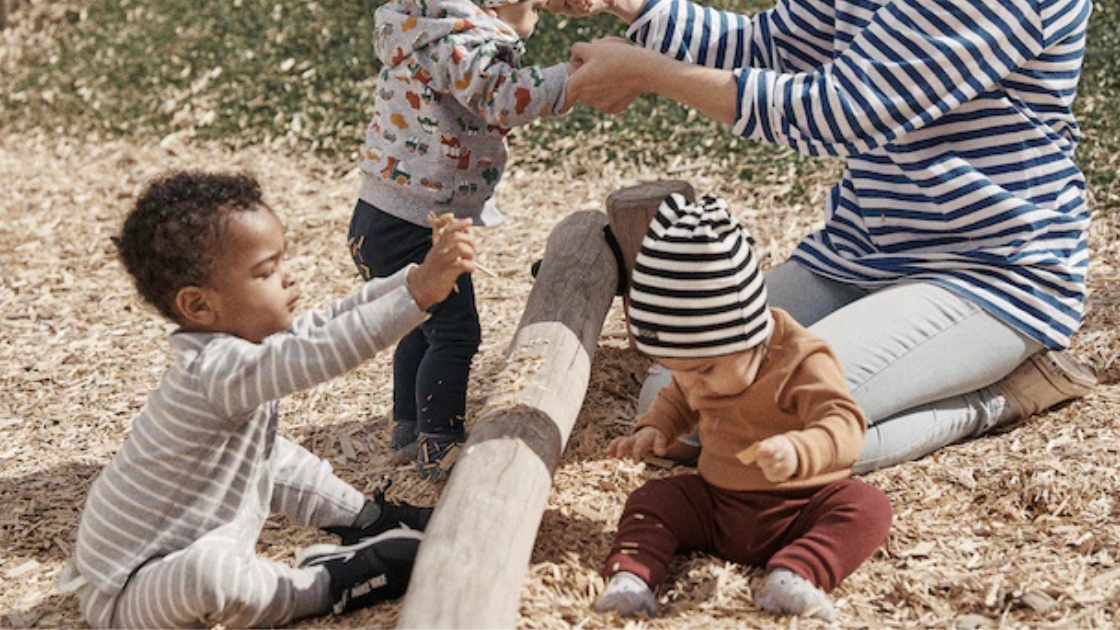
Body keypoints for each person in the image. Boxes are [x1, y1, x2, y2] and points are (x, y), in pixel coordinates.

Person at [554, 0, 1097, 472]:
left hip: (989, 271)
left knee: (757, 439)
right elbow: (770, 46)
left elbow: (843, 109)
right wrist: (634, 6)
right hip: (857, 254)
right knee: (678, 404)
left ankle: (998, 397)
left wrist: (651, 74)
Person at [58, 171, 477, 629]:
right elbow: (319, 351)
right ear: (199, 306)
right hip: (126, 591)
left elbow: (327, 322)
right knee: (209, 576)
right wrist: (418, 295)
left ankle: (368, 519)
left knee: (271, 455)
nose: (287, 278)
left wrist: (414, 278)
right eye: (266, 272)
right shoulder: (214, 371)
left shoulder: (239, 354)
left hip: (183, 551)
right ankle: (325, 584)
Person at [595, 194, 892, 621]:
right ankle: (634, 579)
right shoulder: (707, 364)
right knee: (652, 499)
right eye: (682, 369)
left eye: (705, 370)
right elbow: (679, 394)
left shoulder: (802, 360)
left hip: (801, 506)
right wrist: (657, 426)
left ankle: (796, 571)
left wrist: (801, 450)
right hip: (717, 505)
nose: (694, 382)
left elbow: (843, 421)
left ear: (751, 334)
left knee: (867, 506)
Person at [348, 0, 572, 479]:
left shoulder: (436, 31)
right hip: (412, 224)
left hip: (383, 217)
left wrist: (515, 26)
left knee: (420, 320)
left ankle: (408, 429)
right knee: (455, 333)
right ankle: (440, 446)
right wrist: (574, 79)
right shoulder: (459, 42)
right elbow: (503, 97)